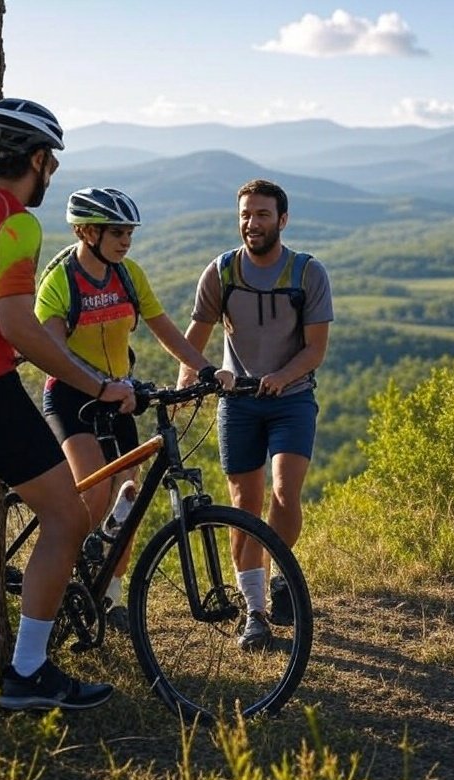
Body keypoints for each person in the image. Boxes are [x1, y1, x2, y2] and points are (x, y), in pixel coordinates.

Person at [0, 98, 135, 710]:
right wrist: (99, 385)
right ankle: (28, 672)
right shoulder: (16, 222)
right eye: (52, 160)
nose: (54, 170)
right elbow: (19, 324)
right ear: (37, 159)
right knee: (67, 518)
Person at [35, 187, 220, 632]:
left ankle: (110, 598)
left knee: (129, 502)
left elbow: (164, 328)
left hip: (120, 396)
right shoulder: (60, 281)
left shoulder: (129, 275)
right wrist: (101, 387)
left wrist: (205, 368)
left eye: (129, 233)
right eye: (117, 232)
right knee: (97, 492)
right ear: (87, 231)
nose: (126, 241)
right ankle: (60, 588)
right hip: (72, 396)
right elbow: (53, 352)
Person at [178, 179, 333, 651]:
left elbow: (315, 349)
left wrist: (282, 377)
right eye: (245, 214)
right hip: (239, 403)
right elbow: (196, 334)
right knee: (243, 507)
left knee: (284, 491)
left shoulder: (307, 273)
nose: (252, 223)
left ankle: (278, 572)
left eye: (262, 214)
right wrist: (187, 381)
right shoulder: (222, 272)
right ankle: (255, 611)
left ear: (282, 220)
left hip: (292, 399)